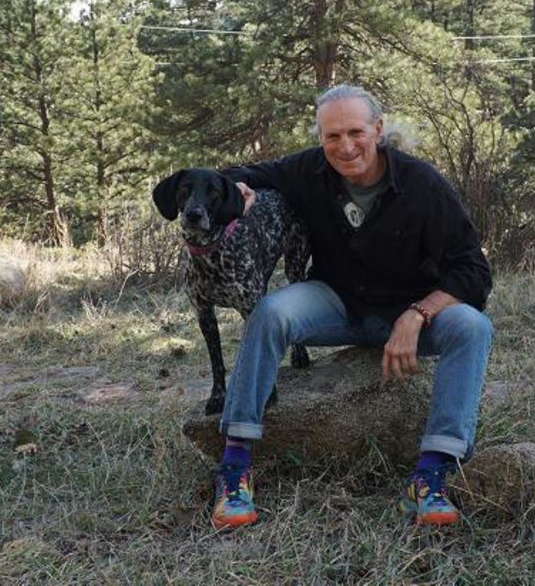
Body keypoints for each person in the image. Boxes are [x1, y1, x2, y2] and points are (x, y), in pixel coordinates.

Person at [210, 84, 493, 528]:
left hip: (407, 311)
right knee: (270, 312)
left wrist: (418, 314)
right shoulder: (307, 170)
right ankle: (234, 466)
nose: (345, 147)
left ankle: (431, 476)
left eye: (356, 132)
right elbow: (241, 172)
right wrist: (235, 187)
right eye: (332, 136)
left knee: (472, 327)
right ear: (320, 139)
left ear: (378, 130)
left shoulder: (421, 184)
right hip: (336, 304)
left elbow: (474, 270)